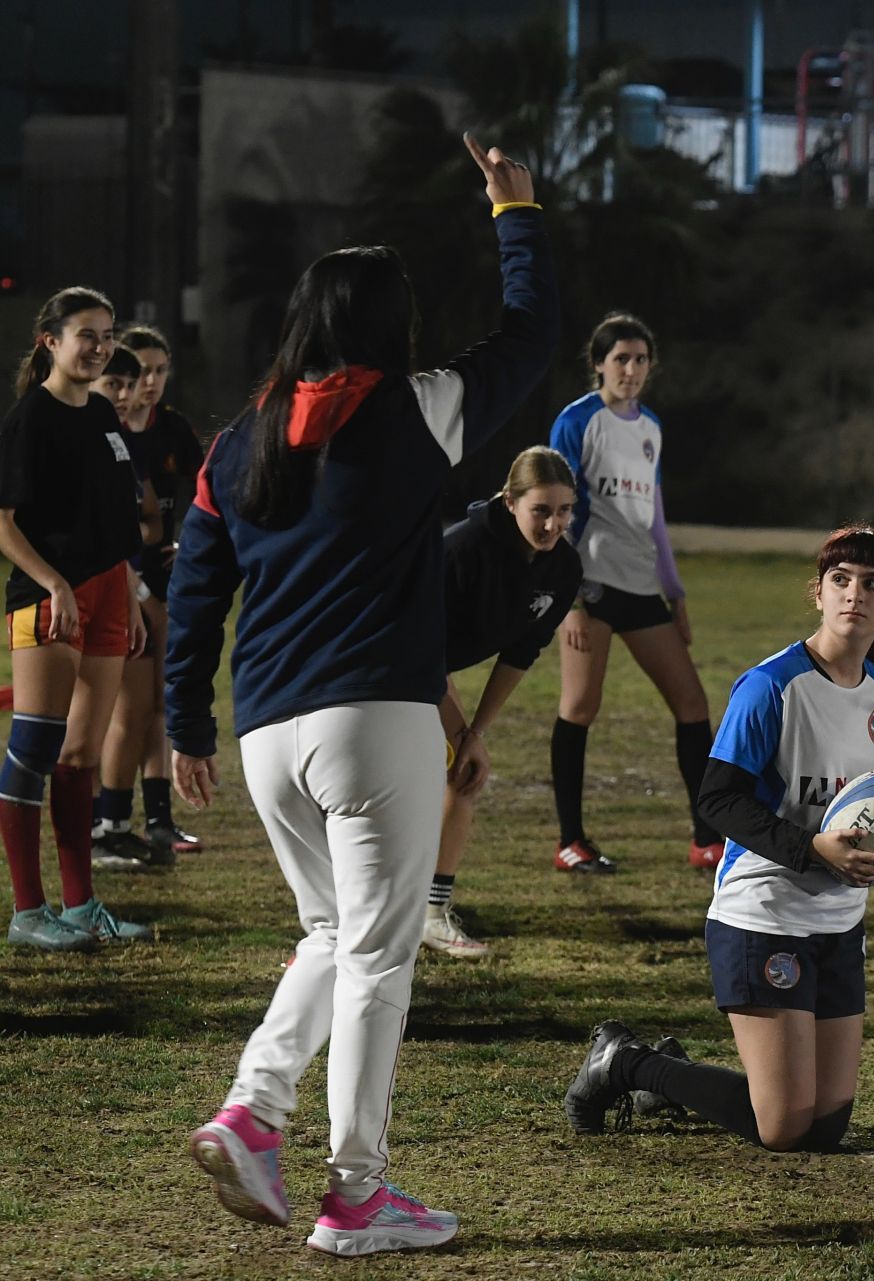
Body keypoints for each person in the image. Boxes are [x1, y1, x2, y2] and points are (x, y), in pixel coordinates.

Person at [172, 135, 556, 1256]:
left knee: (334, 935)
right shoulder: (413, 406)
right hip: (369, 718)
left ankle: (253, 1111)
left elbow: (196, 588)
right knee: (379, 953)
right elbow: (529, 341)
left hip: (266, 731)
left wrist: (186, 720)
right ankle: (356, 1193)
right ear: (388, 325)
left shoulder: (239, 437)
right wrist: (516, 214)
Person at [562, 525, 874, 1153]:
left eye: (872, 583)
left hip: (839, 920)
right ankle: (627, 1062)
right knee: (782, 1128)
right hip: (763, 913)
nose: (854, 594)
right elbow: (716, 800)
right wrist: (810, 849)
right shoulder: (772, 685)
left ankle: (667, 1075)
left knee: (824, 1129)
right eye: (840, 580)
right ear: (819, 592)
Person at [0, 286, 151, 951]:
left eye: (107, 334)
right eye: (85, 334)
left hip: (108, 592)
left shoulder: (102, 415)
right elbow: (2, 524)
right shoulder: (30, 417)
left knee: (82, 753)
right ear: (50, 341)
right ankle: (28, 910)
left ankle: (81, 904)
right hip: (46, 595)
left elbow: (113, 517)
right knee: (34, 747)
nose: (100, 346)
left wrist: (127, 589)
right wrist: (55, 583)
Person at [548, 312, 720, 873]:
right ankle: (571, 842)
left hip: (641, 587)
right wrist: (568, 597)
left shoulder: (651, 427)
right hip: (591, 587)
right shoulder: (577, 421)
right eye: (620, 358)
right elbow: (557, 508)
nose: (631, 369)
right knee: (580, 707)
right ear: (598, 363)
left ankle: (706, 839)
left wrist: (676, 593)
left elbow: (655, 518)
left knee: (692, 705)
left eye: (640, 359)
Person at [424, 446, 583, 958]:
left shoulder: (563, 568)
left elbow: (522, 651)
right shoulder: (464, 550)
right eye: (540, 510)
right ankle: (370, 915)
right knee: (411, 782)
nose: (553, 524)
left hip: (428, 665)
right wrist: (460, 733)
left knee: (464, 770)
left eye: (563, 511)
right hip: (384, 658)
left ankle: (427, 912)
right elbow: (420, 648)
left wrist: (476, 734)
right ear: (510, 501)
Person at [94, 324, 207, 866]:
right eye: (140, 371)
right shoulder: (106, 435)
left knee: (162, 704)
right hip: (122, 584)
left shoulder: (172, 430)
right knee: (130, 709)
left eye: (161, 370)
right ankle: (107, 823)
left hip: (162, 582)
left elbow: (213, 489)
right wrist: (135, 584)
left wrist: (189, 541)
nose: (150, 382)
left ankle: (157, 821)